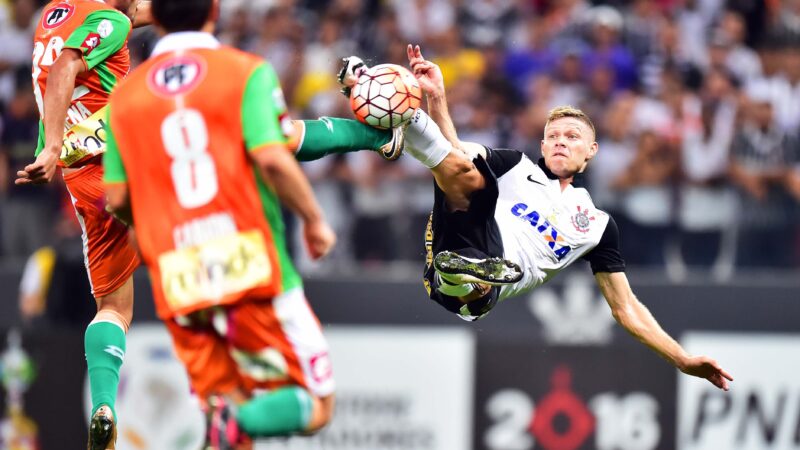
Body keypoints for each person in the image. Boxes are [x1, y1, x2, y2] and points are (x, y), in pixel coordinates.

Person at [336, 46, 733, 391]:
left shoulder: (596, 224)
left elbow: (625, 308)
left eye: (572, 136)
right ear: (542, 144)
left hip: (480, 296)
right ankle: (381, 100)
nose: (561, 140)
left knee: (470, 190)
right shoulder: (514, 166)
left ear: (591, 150)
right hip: (457, 232)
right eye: (554, 135)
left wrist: (681, 358)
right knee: (472, 175)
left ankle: (460, 268)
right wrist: (437, 97)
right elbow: (454, 151)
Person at [103, 0, 337, 448]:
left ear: (157, 16)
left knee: (221, 402)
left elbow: (115, 198)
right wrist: (314, 220)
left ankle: (224, 422)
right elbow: (272, 156)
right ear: (213, 12)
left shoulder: (125, 97)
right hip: (248, 262)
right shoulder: (245, 71)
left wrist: (153, 228)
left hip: (177, 274)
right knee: (315, 404)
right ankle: (235, 422)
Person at [15, 1, 151, 449]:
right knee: (246, 136)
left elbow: (53, 77)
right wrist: (50, 146)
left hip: (84, 182)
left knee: (115, 308)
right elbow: (64, 71)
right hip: (126, 159)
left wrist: (50, 149)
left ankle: (104, 405)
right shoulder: (110, 21)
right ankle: (359, 136)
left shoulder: (54, 14)